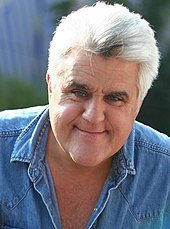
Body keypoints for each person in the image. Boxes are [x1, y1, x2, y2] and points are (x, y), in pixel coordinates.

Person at [0, 2, 170, 228]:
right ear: (51, 86)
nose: (93, 116)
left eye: (115, 98)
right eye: (78, 92)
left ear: (138, 102)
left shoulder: (165, 172)